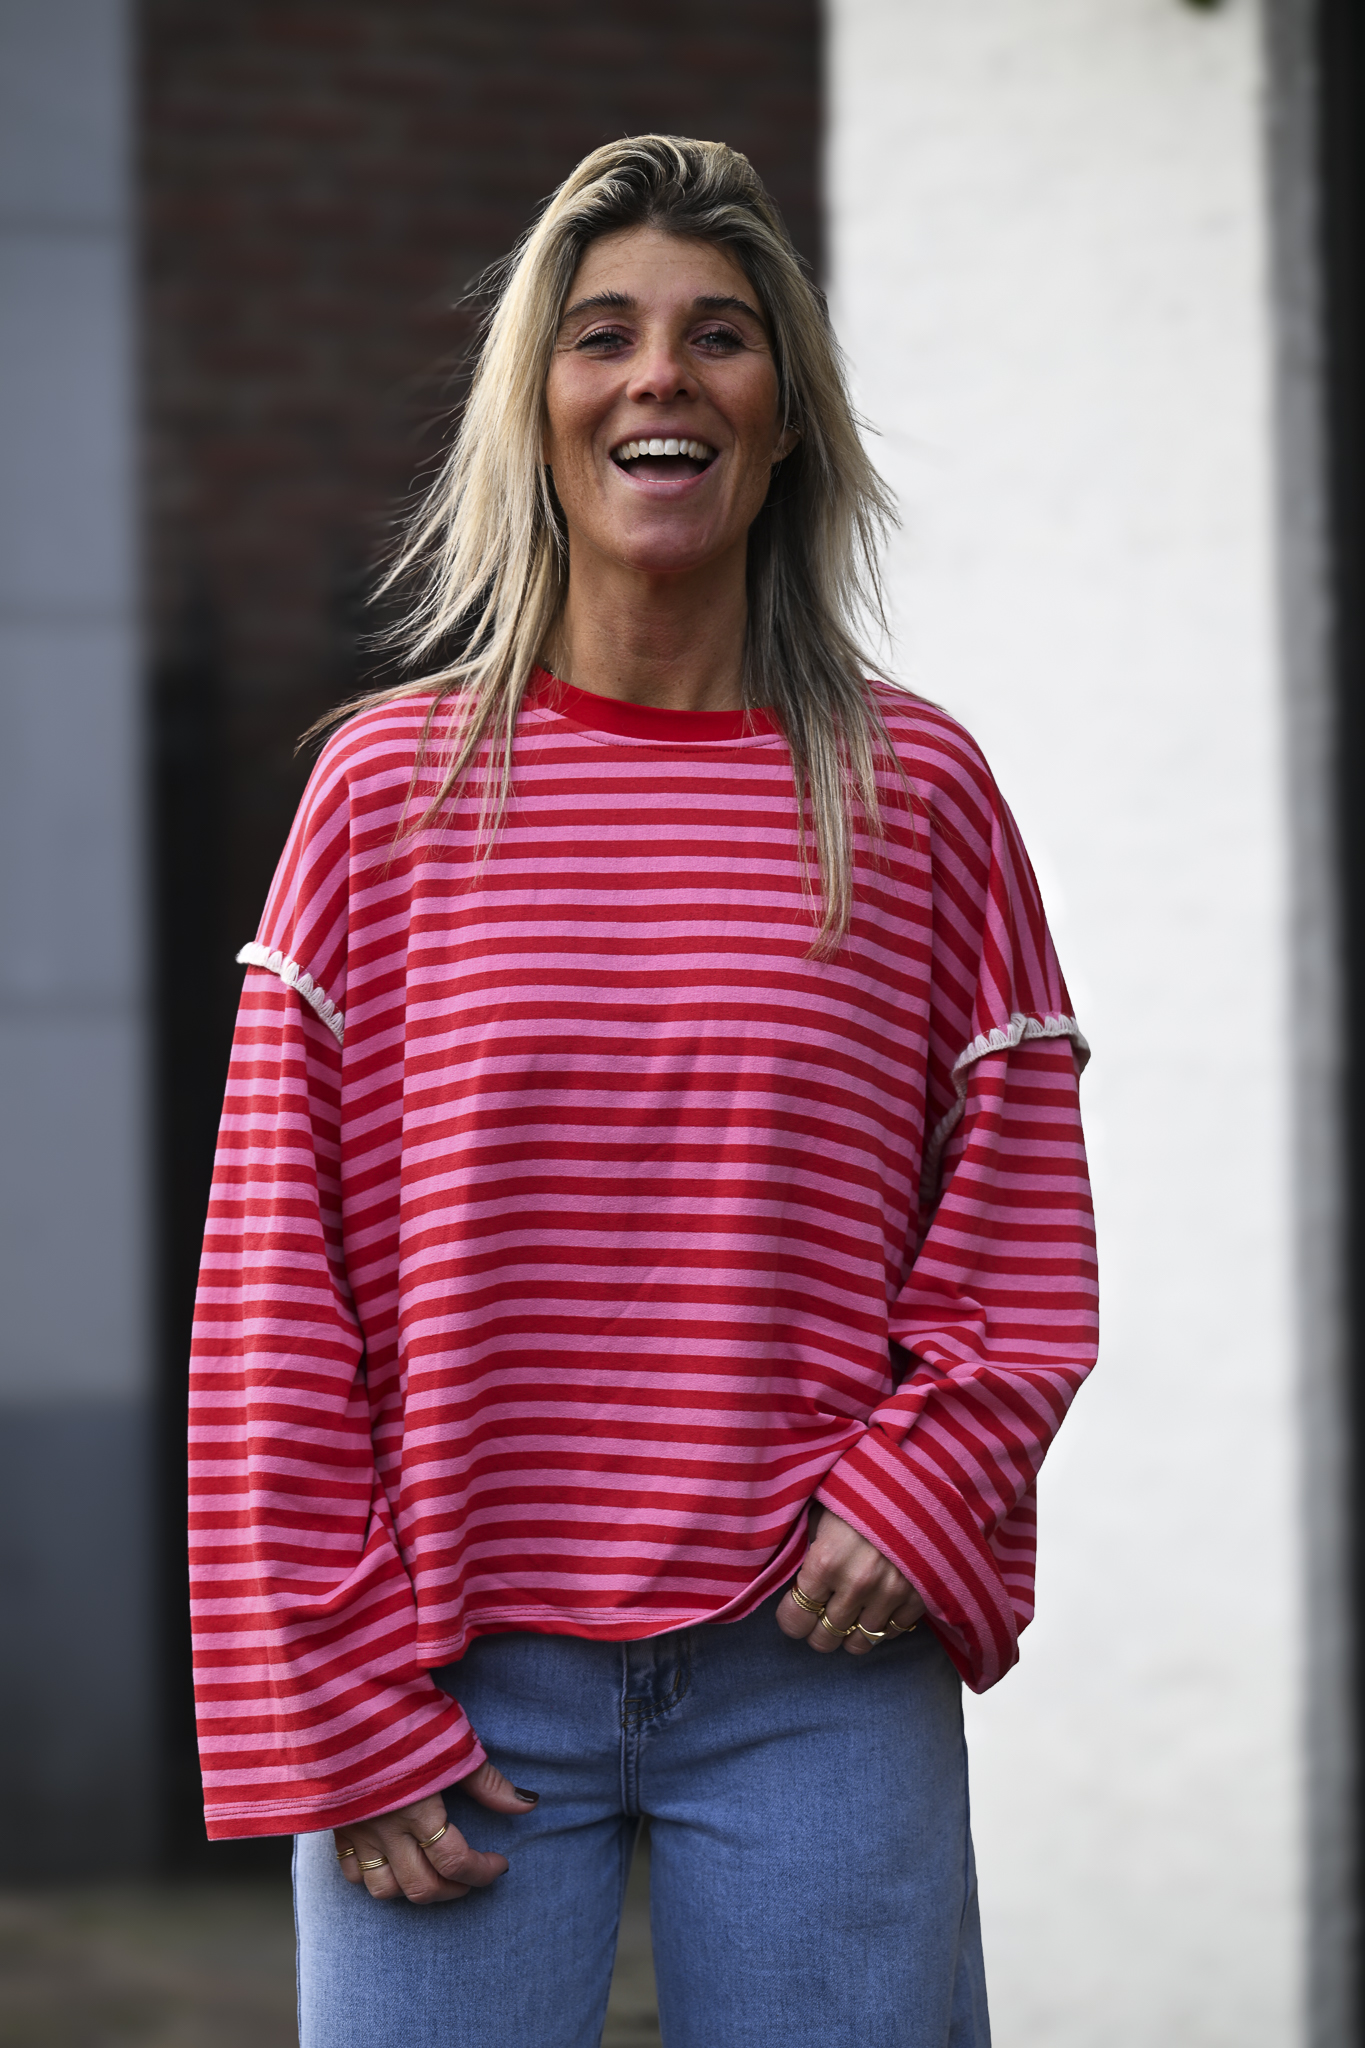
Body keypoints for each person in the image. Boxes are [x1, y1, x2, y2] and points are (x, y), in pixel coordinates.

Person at [189, 134, 1097, 2048]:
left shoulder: (915, 795)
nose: (658, 375)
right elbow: (272, 1296)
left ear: (787, 416)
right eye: (600, 335)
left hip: (813, 1673)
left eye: (719, 336)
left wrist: (922, 1488)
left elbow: (1017, 1216)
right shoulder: (386, 796)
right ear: (535, 412)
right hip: (444, 1673)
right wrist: (331, 1696)